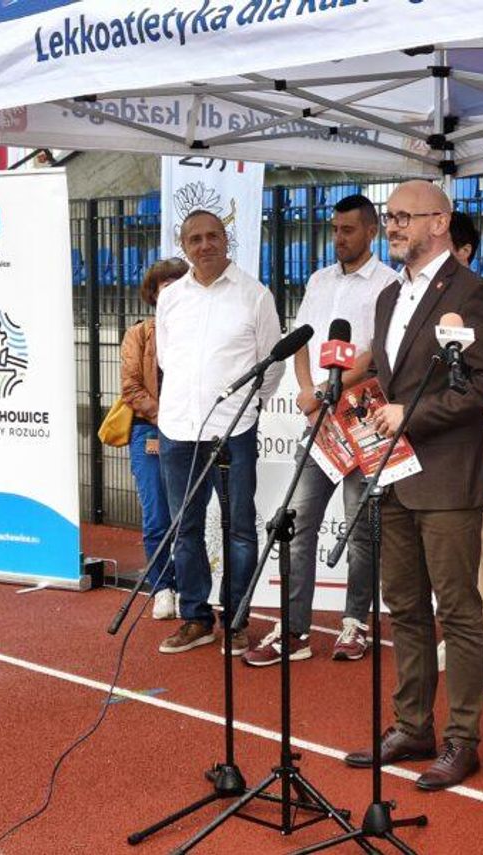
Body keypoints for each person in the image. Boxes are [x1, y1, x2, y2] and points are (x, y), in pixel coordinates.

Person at [341, 180, 483, 791]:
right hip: (394, 474)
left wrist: (410, 415)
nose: (392, 227)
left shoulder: (473, 294)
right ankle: (412, 725)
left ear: (440, 222)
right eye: (389, 218)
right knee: (405, 607)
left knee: (458, 610)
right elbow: (393, 380)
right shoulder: (389, 297)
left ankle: (462, 739)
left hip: (448, 478)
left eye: (403, 217)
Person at [243, 194, 395, 667]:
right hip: (321, 420)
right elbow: (303, 340)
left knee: (360, 528)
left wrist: (332, 391)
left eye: (348, 230)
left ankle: (357, 623)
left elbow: (376, 353)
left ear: (371, 231)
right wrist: (309, 392)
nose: (338, 238)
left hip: (363, 417)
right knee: (296, 519)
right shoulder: (318, 280)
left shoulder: (388, 283)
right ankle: (293, 630)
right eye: (334, 229)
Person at [156, 210, 283, 656]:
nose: (204, 245)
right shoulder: (170, 298)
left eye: (212, 236)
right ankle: (195, 618)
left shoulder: (255, 296)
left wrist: (244, 408)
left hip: (233, 431)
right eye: (195, 239)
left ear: (226, 240)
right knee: (183, 529)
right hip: (177, 429)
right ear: (183, 245)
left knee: (240, 530)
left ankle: (236, 619)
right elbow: (168, 360)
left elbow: (273, 364)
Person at [435, 210, 483, 688]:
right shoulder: (422, 297)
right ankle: (461, 630)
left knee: (481, 537)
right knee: (443, 539)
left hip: (474, 429)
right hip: (429, 430)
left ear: (463, 251)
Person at [121, 257, 188, 621]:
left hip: (195, 432)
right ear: (153, 294)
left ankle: (192, 589)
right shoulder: (139, 334)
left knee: (190, 516)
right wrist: (167, 418)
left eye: (179, 286)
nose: (172, 294)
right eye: (165, 288)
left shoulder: (198, 332)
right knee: (157, 516)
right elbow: (131, 387)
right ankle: (162, 587)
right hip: (151, 429)